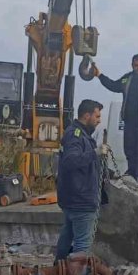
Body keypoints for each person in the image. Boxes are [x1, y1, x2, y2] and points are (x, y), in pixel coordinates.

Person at [92, 54, 138, 183]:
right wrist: (99, 75)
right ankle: (131, 173)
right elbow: (113, 85)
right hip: (130, 123)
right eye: (136, 65)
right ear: (132, 66)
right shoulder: (127, 79)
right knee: (130, 150)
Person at [55, 99, 107, 260]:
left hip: (74, 199)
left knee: (67, 238)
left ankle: (59, 272)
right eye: (97, 116)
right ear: (87, 115)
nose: (99, 121)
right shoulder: (75, 135)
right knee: (82, 247)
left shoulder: (80, 135)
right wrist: (95, 153)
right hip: (81, 201)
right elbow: (71, 161)